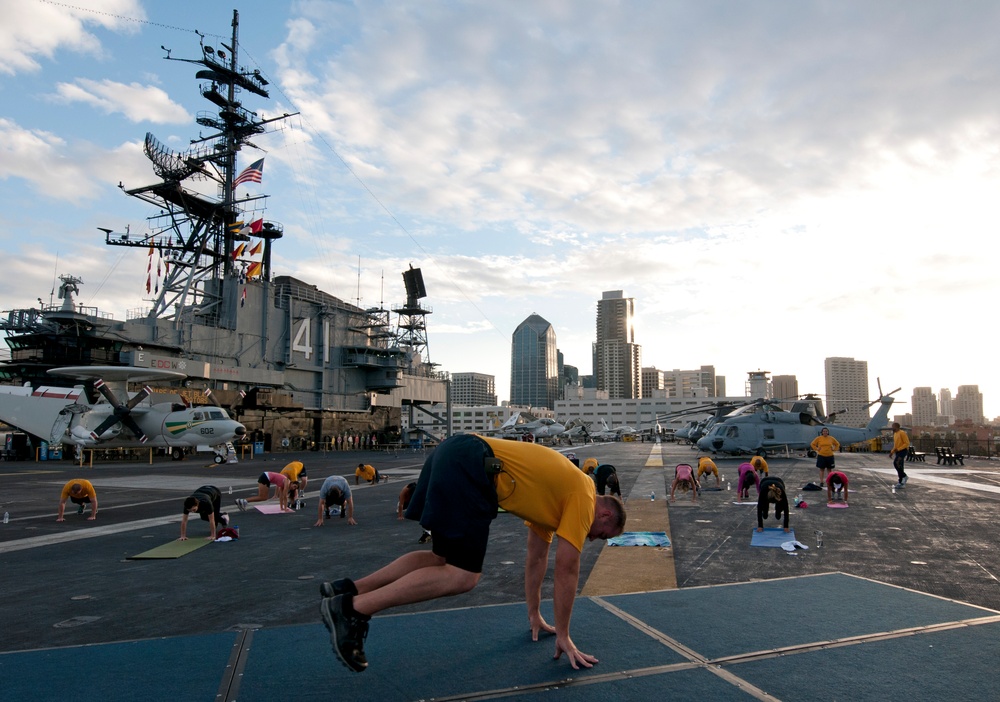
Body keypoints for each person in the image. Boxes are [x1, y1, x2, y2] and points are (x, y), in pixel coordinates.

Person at [318, 433, 626, 673]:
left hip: (455, 452)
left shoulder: (559, 502)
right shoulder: (584, 498)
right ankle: (352, 610)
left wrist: (535, 614)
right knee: (464, 576)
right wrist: (564, 635)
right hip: (473, 466)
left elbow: (537, 559)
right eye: (601, 536)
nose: (594, 539)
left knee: (441, 559)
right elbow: (567, 569)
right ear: (606, 517)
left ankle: (350, 589)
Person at [890, 422, 910, 488]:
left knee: (896, 463)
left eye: (893, 426)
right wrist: (892, 452)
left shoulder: (902, 433)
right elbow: (895, 445)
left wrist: (899, 449)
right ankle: (901, 482)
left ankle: (904, 476)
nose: (892, 428)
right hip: (898, 451)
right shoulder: (895, 434)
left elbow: (906, 443)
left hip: (903, 451)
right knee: (900, 465)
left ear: (896, 427)